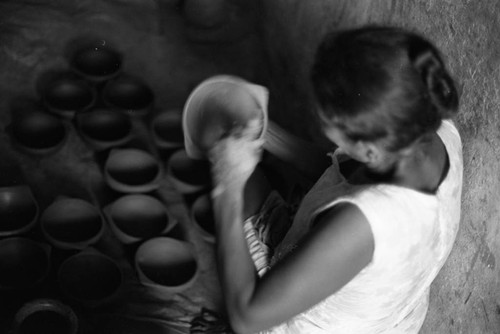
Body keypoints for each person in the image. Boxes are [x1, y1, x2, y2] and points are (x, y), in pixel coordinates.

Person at [194, 26, 463, 334]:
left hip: (321, 326)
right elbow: (343, 172)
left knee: (239, 194)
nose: (324, 127)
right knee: (248, 179)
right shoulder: (434, 128)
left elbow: (246, 319)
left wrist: (226, 189)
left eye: (328, 125)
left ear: (369, 150)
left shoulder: (362, 223)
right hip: (383, 311)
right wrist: (266, 134)